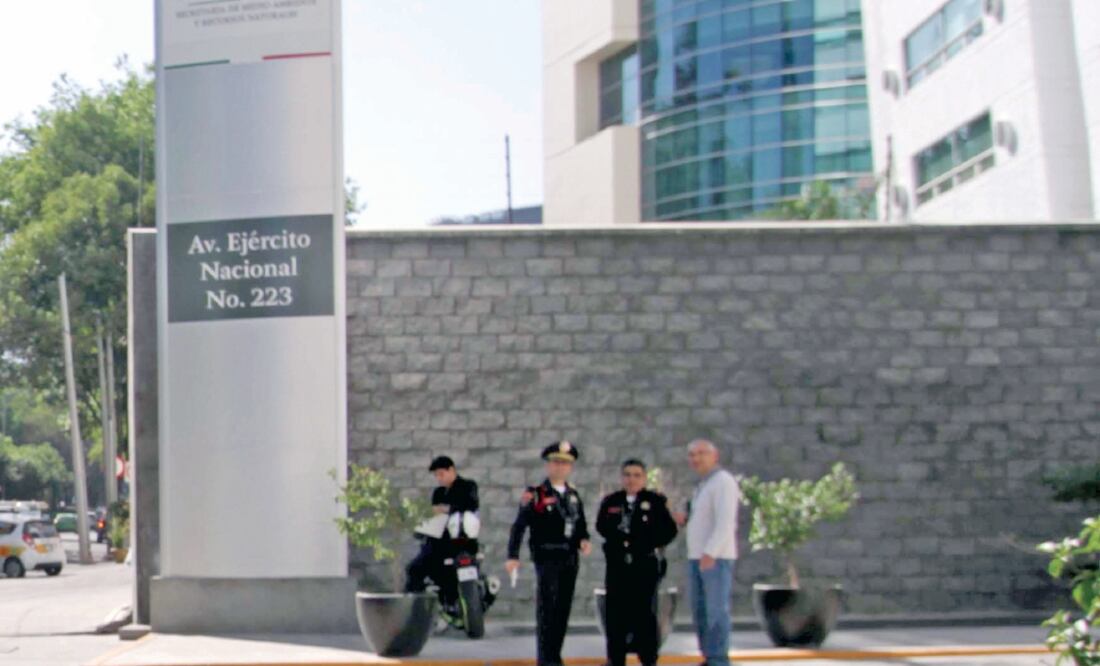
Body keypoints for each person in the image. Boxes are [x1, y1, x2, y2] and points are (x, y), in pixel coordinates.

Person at [506, 441, 592, 666]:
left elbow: (580, 524)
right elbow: (519, 526)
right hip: (547, 558)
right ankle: (546, 660)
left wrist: (584, 540)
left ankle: (555, 656)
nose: (560, 467)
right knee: (547, 610)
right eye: (556, 462)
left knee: (562, 610)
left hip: (570, 558)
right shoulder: (535, 494)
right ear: (548, 465)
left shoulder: (573, 495)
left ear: (570, 467)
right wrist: (512, 556)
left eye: (565, 463)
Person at [595, 459, 678, 666]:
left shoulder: (655, 501)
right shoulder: (611, 501)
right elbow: (601, 526)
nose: (631, 479)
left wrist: (646, 542)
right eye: (627, 475)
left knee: (645, 615)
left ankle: (648, 659)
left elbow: (669, 531)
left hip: (644, 566)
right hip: (618, 567)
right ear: (622, 478)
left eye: (636, 475)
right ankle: (615, 659)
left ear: (644, 478)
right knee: (616, 616)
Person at [673, 439, 740, 666]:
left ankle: (719, 658)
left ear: (715, 456)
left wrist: (711, 552)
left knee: (716, 610)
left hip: (715, 558)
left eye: (701, 453)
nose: (696, 459)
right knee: (700, 610)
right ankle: (709, 655)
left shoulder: (723, 482)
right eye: (692, 454)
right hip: (697, 556)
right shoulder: (702, 485)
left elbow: (725, 522)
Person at [405, 456, 479, 598]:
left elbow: (471, 505)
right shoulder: (439, 493)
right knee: (414, 570)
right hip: (438, 543)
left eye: (441, 474)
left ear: (451, 470)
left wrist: (447, 509)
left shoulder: (468, 486)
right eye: (436, 475)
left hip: (462, 542)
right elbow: (434, 515)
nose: (439, 478)